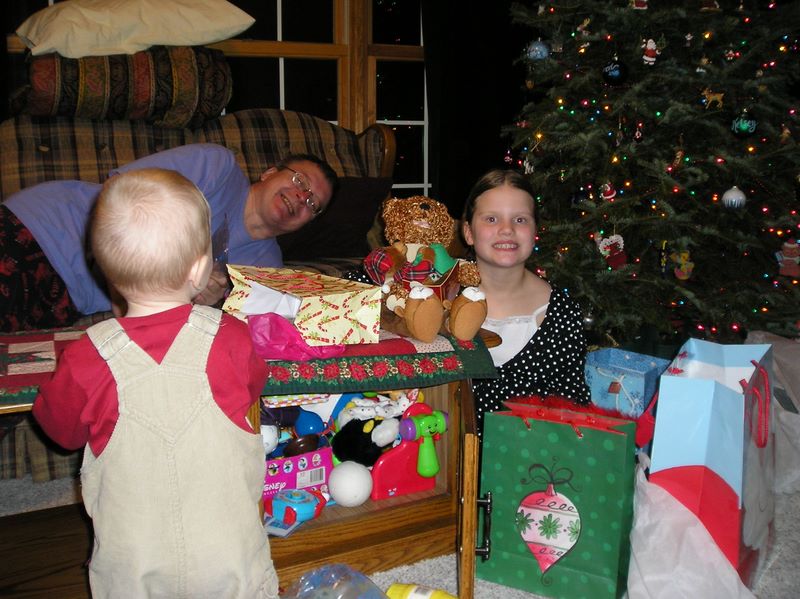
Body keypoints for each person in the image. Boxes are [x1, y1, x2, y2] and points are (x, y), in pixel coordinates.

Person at [32, 168, 279, 598]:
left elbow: (60, 431)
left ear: (106, 272)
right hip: (230, 557)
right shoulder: (231, 337)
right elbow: (253, 387)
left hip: (134, 567)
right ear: (201, 269)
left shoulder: (87, 357)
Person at [0, 143, 337, 331]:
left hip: (72, 299)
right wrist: (188, 272)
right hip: (44, 230)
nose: (301, 198)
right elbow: (122, 191)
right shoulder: (218, 167)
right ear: (269, 172)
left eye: (313, 204)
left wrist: (201, 301)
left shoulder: (268, 270)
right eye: (299, 182)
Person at [461, 169, 591, 435]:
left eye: (520, 219)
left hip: (531, 467)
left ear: (535, 231)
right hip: (444, 465)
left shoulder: (562, 313)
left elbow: (573, 406)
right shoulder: (438, 300)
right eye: (492, 219)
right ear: (469, 232)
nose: (506, 230)